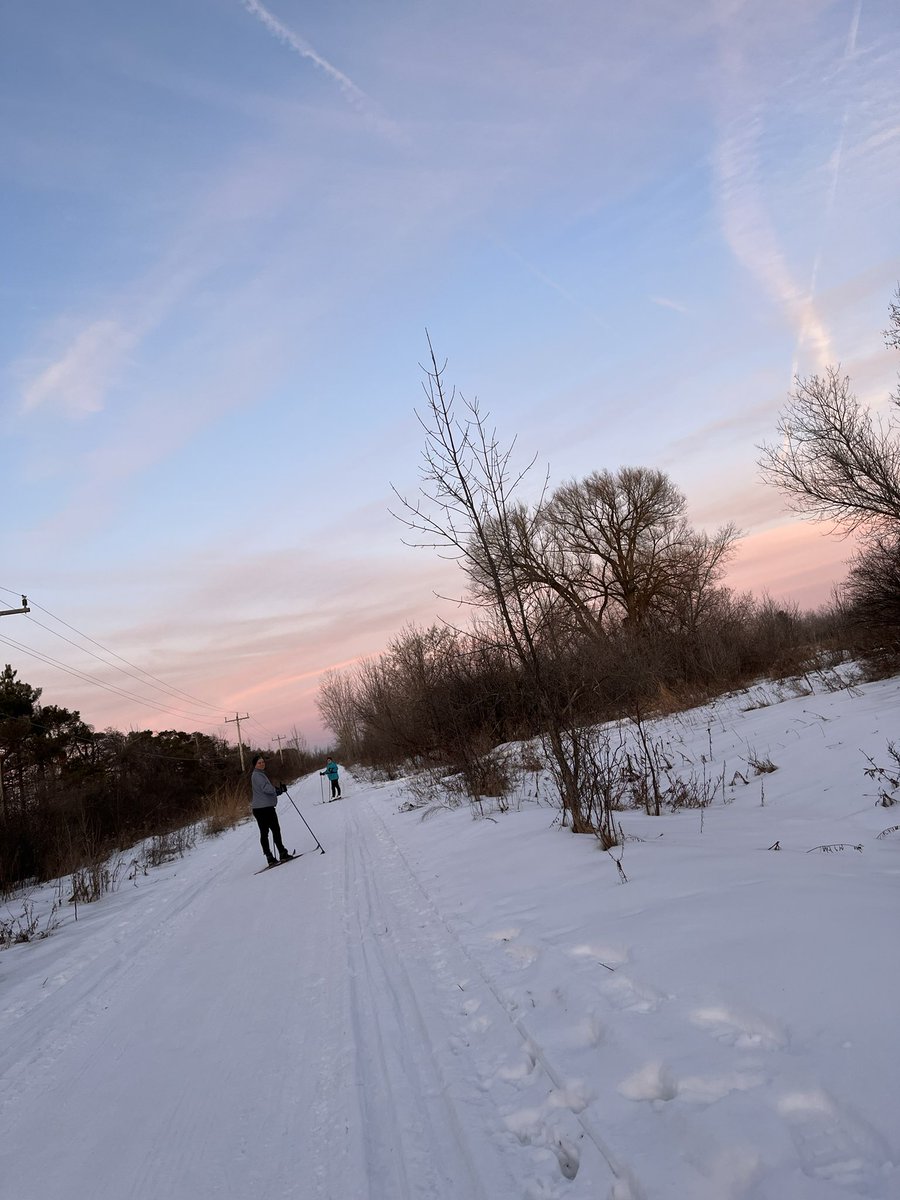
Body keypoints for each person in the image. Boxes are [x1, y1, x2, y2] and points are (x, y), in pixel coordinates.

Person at [250, 754, 291, 865]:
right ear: (255, 765)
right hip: (264, 809)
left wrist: (278, 790)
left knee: (266, 832)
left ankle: (271, 856)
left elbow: (266, 790)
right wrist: (277, 790)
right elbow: (266, 789)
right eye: (259, 763)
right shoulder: (257, 775)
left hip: (261, 808)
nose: (262, 764)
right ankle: (280, 853)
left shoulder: (259, 774)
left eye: (263, 762)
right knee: (273, 830)